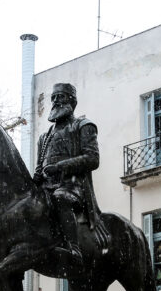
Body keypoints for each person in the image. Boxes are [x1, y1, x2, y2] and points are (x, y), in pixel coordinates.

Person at [33, 83, 110, 268]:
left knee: (61, 198)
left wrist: (60, 167)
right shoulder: (44, 137)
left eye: (61, 96)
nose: (56, 101)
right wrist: (37, 176)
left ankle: (73, 249)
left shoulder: (83, 126)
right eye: (54, 97)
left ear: (72, 101)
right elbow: (40, 166)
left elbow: (92, 158)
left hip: (74, 186)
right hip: (47, 187)